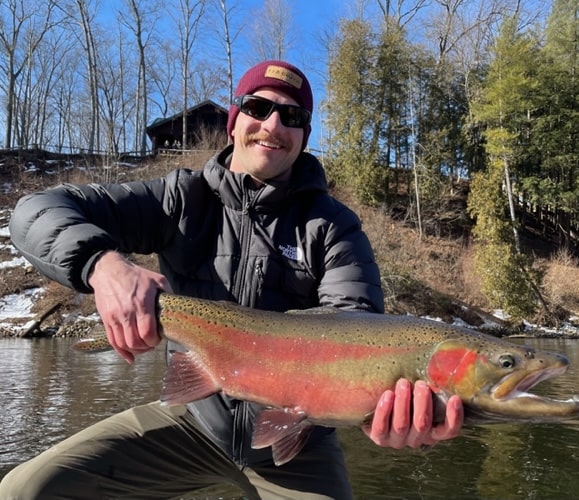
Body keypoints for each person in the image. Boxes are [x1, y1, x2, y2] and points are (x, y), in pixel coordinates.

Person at [2, 60, 463, 499]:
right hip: (193, 419)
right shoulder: (179, 198)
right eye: (259, 108)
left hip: (300, 443)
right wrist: (102, 266)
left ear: (304, 135)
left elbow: (358, 325)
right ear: (234, 119)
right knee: (23, 491)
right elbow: (34, 212)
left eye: (292, 115)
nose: (274, 125)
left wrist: (391, 409)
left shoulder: (334, 226)